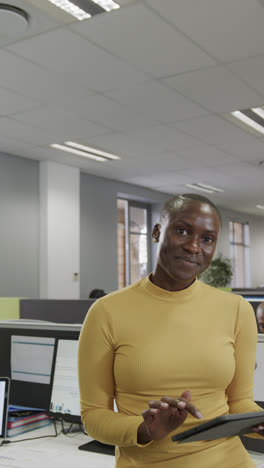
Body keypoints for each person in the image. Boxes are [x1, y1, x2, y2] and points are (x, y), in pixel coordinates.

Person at [78, 193, 264, 468]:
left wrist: (258, 423)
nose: (193, 246)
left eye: (207, 238)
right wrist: (145, 429)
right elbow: (93, 416)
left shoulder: (236, 310)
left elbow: (240, 404)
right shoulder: (107, 312)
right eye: (181, 230)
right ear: (156, 232)